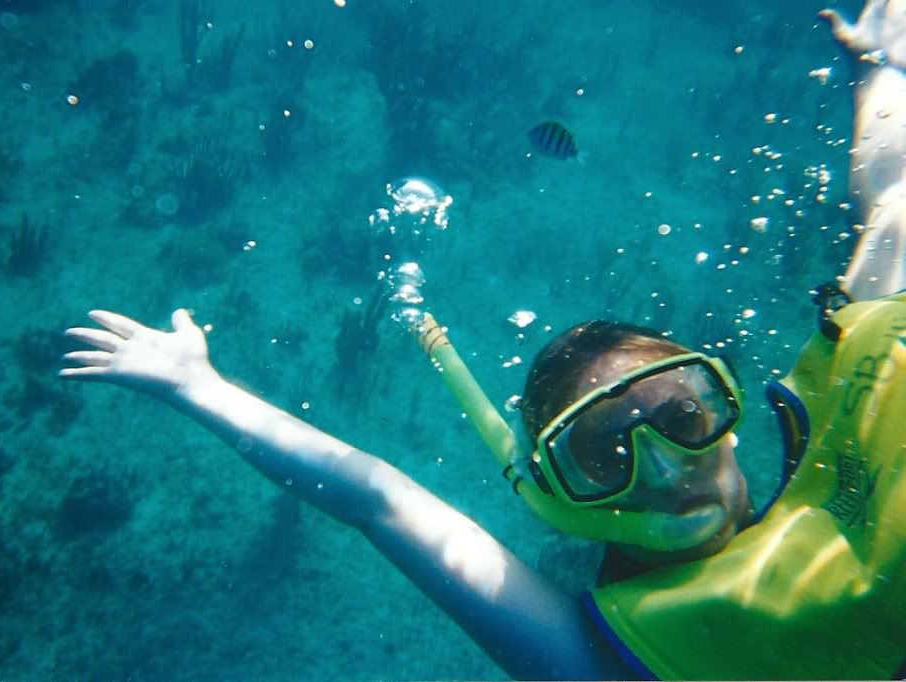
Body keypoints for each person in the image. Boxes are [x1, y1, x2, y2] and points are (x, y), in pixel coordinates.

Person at [61, 3, 906, 679]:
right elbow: (377, 498)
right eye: (602, 456)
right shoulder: (588, 664)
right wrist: (198, 387)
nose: (661, 469)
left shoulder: (852, 432)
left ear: (724, 403)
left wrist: (885, 69)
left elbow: (893, 217)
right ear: (554, 492)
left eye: (681, 416)